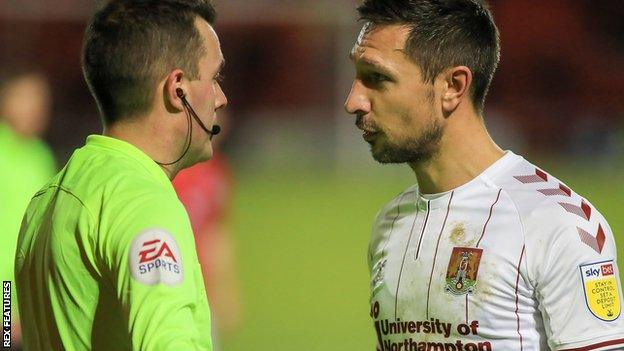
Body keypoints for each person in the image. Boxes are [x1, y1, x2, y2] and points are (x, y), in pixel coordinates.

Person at [343, 1, 624, 350]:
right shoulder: (389, 224)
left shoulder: (557, 224)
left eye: (377, 78)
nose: (353, 101)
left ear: (453, 86)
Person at [14, 0, 228, 349]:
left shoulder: (47, 198)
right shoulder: (143, 203)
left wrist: (5, 331)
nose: (221, 97)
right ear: (178, 89)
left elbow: (8, 300)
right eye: (215, 77)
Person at [172, 111, 242, 347]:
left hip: (202, 292)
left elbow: (216, 231)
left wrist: (226, 288)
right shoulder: (173, 168)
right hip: (169, 287)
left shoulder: (218, 172)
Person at [0, 67, 56, 350]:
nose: (34, 109)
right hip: (5, 290)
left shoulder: (41, 157)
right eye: (26, 98)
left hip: (26, 291)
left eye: (40, 102)